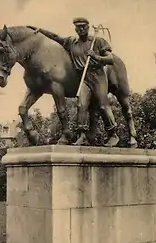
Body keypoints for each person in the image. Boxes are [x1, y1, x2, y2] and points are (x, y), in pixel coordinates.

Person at [35, 17, 119, 147]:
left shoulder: (97, 41)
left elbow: (110, 59)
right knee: (81, 104)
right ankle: (83, 135)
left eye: (83, 27)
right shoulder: (71, 42)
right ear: (75, 29)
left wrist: (96, 56)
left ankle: (113, 134)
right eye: (78, 27)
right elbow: (56, 37)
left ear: (88, 27)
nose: (81, 29)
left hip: (98, 76)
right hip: (84, 77)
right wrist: (41, 31)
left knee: (102, 105)